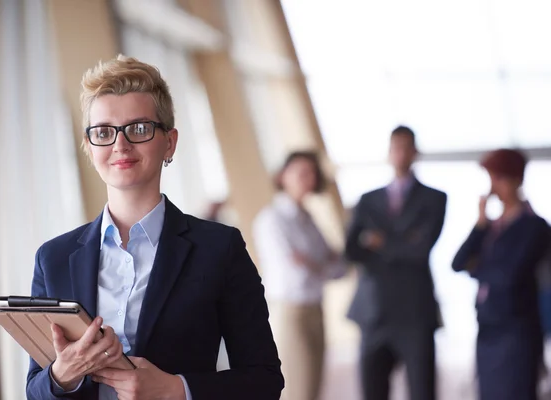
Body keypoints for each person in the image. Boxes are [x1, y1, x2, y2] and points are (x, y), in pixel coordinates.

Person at [25, 55, 284, 400]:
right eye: (104, 132)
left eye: (139, 128)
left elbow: (265, 380)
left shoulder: (219, 248)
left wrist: (177, 389)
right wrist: (62, 376)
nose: (120, 144)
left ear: (170, 142)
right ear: (89, 147)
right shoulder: (53, 258)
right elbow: (34, 390)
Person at [345, 126, 447, 400]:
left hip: (415, 312)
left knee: (422, 390)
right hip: (373, 311)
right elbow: (352, 250)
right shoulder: (367, 200)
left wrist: (380, 242)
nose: (400, 154)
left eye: (405, 148)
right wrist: (404, 241)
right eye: (395, 148)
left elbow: (421, 250)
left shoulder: (435, 198)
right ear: (389, 153)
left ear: (415, 152)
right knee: (372, 391)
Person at [452, 148, 551, 400]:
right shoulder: (491, 228)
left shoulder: (534, 226)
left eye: (497, 178)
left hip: (517, 330)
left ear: (515, 179)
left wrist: (479, 268)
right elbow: (459, 262)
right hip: (488, 327)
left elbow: (510, 274)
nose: (493, 187)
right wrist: (480, 223)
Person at [253, 151, 347, 400]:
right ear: (283, 176)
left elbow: (340, 268)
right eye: (301, 172)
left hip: (316, 308)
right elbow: (297, 274)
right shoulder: (272, 220)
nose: (307, 178)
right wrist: (320, 265)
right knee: (298, 389)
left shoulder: (308, 219)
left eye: (312, 173)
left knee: (314, 388)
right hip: (291, 313)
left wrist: (313, 265)